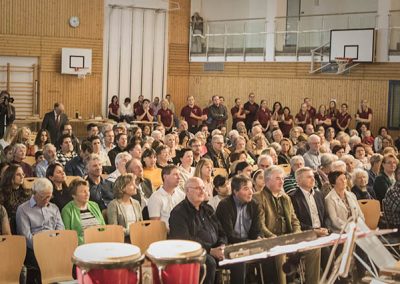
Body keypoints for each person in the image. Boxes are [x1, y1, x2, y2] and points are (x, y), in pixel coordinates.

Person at [254, 166, 320, 284]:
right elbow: (260, 225)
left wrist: (297, 235)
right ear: (267, 181)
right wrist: (274, 237)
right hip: (272, 240)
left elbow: (295, 221)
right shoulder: (258, 197)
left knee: (314, 249)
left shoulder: (286, 197)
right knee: (281, 253)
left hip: (289, 238)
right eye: (278, 179)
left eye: (283, 179)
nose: (282, 182)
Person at [169, 177, 226, 284]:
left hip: (215, 249)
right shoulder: (178, 213)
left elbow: (221, 231)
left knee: (237, 256)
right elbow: (185, 240)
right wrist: (210, 250)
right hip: (191, 252)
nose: (202, 191)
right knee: (209, 261)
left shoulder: (208, 209)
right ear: (187, 191)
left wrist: (222, 246)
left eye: (203, 188)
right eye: (197, 188)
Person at [215, 174, 262, 284]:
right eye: (246, 189)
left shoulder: (254, 204)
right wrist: (249, 243)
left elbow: (256, 230)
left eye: (251, 188)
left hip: (249, 245)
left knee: (270, 256)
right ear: (235, 191)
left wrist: (258, 238)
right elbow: (227, 235)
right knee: (240, 260)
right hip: (230, 246)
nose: (251, 192)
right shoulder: (225, 205)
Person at [16, 178, 64, 283]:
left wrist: (55, 244)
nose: (47, 199)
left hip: (55, 245)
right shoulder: (23, 209)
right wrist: (43, 248)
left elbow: (60, 229)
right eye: (44, 196)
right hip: (35, 249)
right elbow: (26, 236)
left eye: (49, 196)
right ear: (34, 193)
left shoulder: (54, 208)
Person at [62, 178, 105, 245]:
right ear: (74, 195)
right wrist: (89, 240)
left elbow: (103, 227)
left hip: (100, 242)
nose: (87, 194)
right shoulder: (67, 210)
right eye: (83, 192)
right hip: (81, 246)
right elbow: (68, 236)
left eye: (88, 191)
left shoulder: (94, 205)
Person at [107, 174, 143, 241]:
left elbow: (141, 224)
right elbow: (114, 228)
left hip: (138, 237)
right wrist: (132, 232)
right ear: (122, 188)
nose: (136, 187)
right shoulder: (113, 205)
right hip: (123, 240)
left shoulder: (136, 203)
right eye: (132, 185)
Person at [383, 165, 400, 233]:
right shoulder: (392, 190)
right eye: (399, 173)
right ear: (395, 176)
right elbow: (398, 207)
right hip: (396, 226)